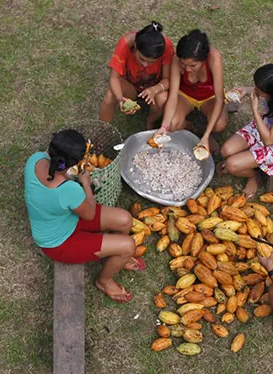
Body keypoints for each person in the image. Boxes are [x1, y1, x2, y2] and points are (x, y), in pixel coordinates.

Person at [24, 129, 145, 303]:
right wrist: (86, 184)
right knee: (128, 245)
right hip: (59, 242)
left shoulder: (35, 159)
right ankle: (105, 281)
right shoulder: (67, 189)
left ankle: (114, 256)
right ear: (74, 163)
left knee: (125, 219)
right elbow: (89, 214)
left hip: (63, 217)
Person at [218, 64, 273, 199]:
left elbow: (269, 140)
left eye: (259, 90)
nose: (256, 90)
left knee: (231, 165)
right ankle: (248, 160)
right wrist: (245, 90)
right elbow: (260, 90)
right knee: (225, 151)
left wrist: (255, 110)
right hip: (265, 124)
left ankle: (254, 176)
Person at [155, 29, 227, 153]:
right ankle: (190, 127)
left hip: (209, 97)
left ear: (203, 59)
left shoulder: (214, 58)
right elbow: (173, 96)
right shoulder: (176, 59)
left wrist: (206, 136)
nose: (187, 69)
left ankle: (205, 135)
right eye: (184, 65)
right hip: (185, 95)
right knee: (172, 124)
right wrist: (164, 127)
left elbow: (219, 99)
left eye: (193, 66)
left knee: (219, 124)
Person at [99, 21, 174, 129]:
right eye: (142, 59)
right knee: (110, 95)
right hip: (131, 88)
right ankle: (102, 130)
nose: (145, 64)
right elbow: (114, 78)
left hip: (154, 91)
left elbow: (168, 80)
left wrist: (154, 90)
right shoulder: (126, 43)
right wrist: (120, 99)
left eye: (151, 62)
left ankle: (150, 120)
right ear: (135, 46)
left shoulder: (166, 46)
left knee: (163, 98)